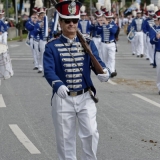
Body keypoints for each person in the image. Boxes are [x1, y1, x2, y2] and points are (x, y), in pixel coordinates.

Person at [43, 0, 110, 159]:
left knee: (91, 134)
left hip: (86, 96)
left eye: (75, 20)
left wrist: (104, 72)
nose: (71, 24)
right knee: (65, 141)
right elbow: (48, 70)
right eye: (67, 20)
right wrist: (57, 84)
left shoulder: (87, 43)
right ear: (60, 22)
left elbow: (98, 63)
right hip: (63, 99)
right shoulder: (52, 46)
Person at [149, 10, 160, 95]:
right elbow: (151, 41)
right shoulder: (154, 29)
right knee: (159, 71)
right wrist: (157, 38)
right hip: (159, 52)